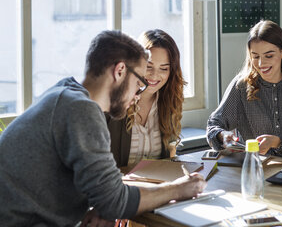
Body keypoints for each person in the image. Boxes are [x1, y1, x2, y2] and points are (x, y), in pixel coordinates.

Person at [0, 30, 206, 226]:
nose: (138, 94)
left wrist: (108, 200)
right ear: (119, 71)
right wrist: (180, 189)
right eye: (139, 82)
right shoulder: (81, 110)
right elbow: (113, 202)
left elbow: (105, 192)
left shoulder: (65, 93)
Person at [206, 20, 282, 161]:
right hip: (254, 168)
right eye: (255, 56)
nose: (261, 64)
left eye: (269, 56)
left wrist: (277, 142)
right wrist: (222, 135)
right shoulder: (241, 86)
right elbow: (213, 126)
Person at [108, 29, 186, 167]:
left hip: (157, 187)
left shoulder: (170, 102)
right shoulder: (112, 103)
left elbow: (170, 157)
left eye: (164, 69)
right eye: (148, 66)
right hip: (120, 187)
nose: (155, 75)